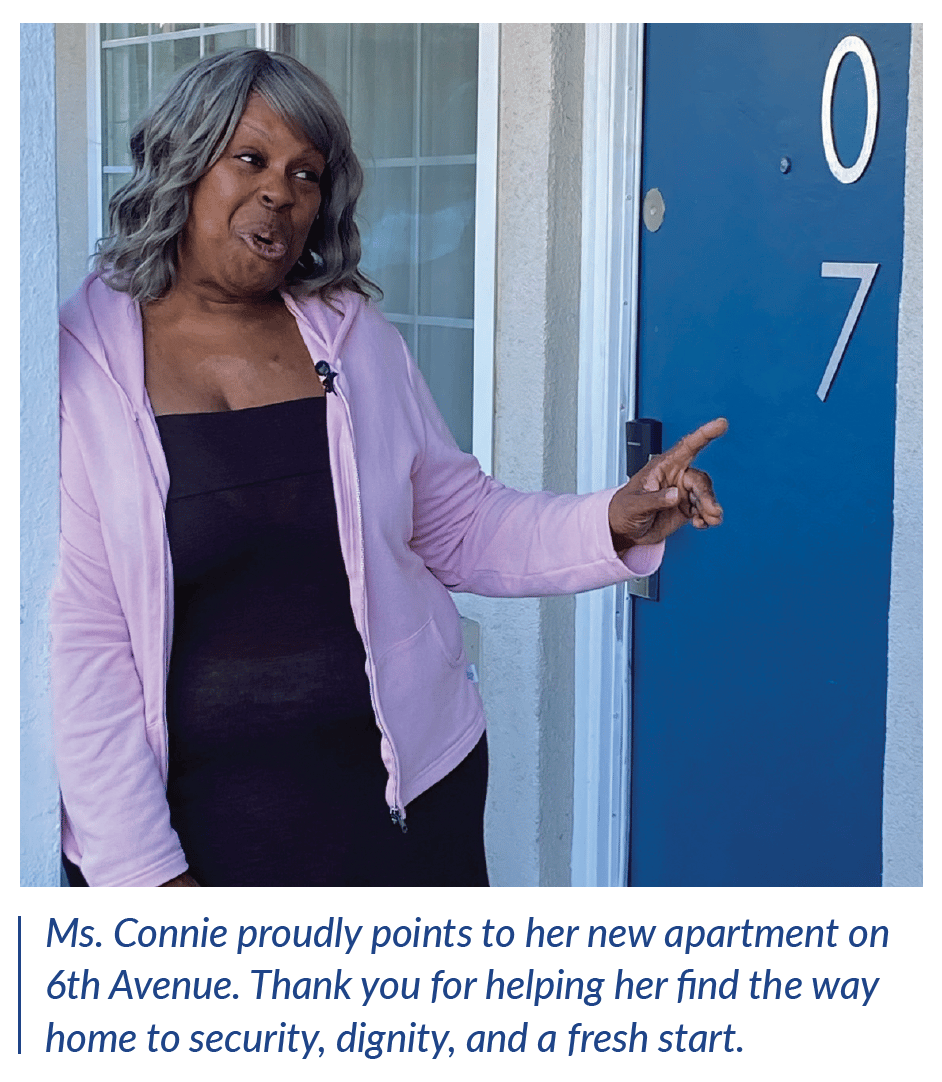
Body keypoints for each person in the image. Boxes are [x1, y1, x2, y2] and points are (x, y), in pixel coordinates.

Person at [53, 48, 726, 888]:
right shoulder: (79, 366)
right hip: (203, 833)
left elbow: (455, 522)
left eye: (306, 174)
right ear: (185, 165)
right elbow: (80, 641)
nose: (280, 194)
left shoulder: (351, 339)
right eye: (250, 159)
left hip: (406, 806)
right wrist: (142, 875)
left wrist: (612, 518)